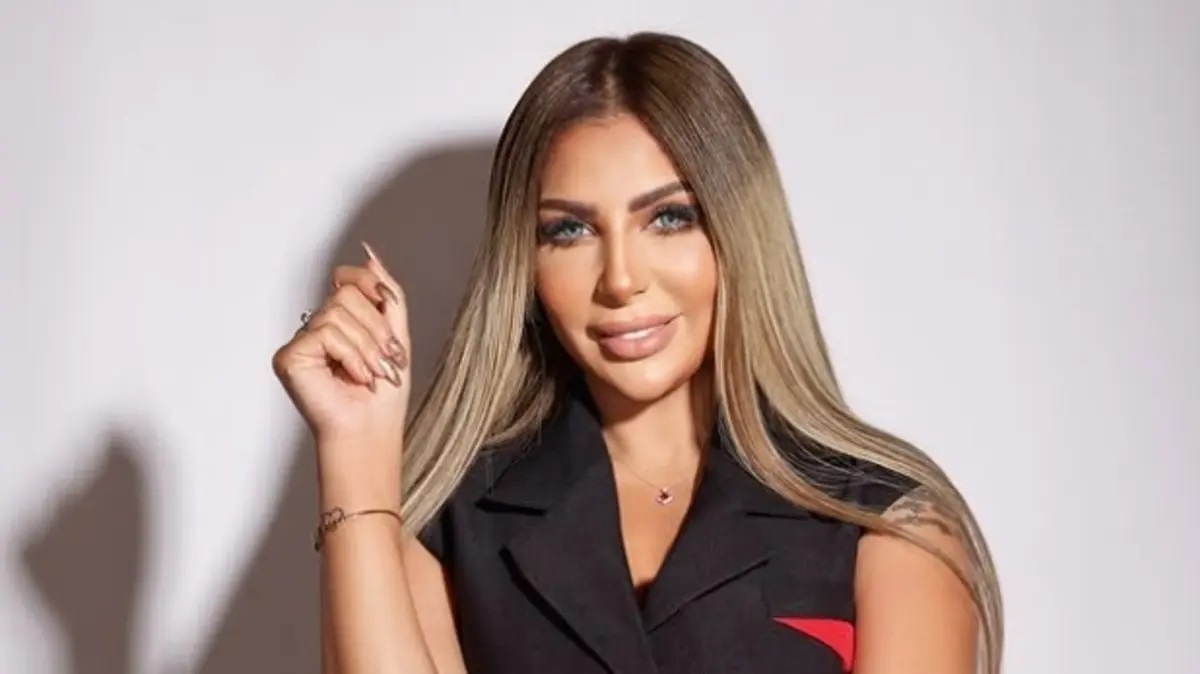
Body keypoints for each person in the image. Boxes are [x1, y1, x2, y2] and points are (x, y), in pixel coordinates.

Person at [272, 31, 1002, 674]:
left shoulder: (890, 523)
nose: (621, 279)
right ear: (524, 264)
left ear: (738, 233)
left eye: (669, 218)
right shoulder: (452, 526)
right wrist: (356, 448)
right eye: (570, 231)